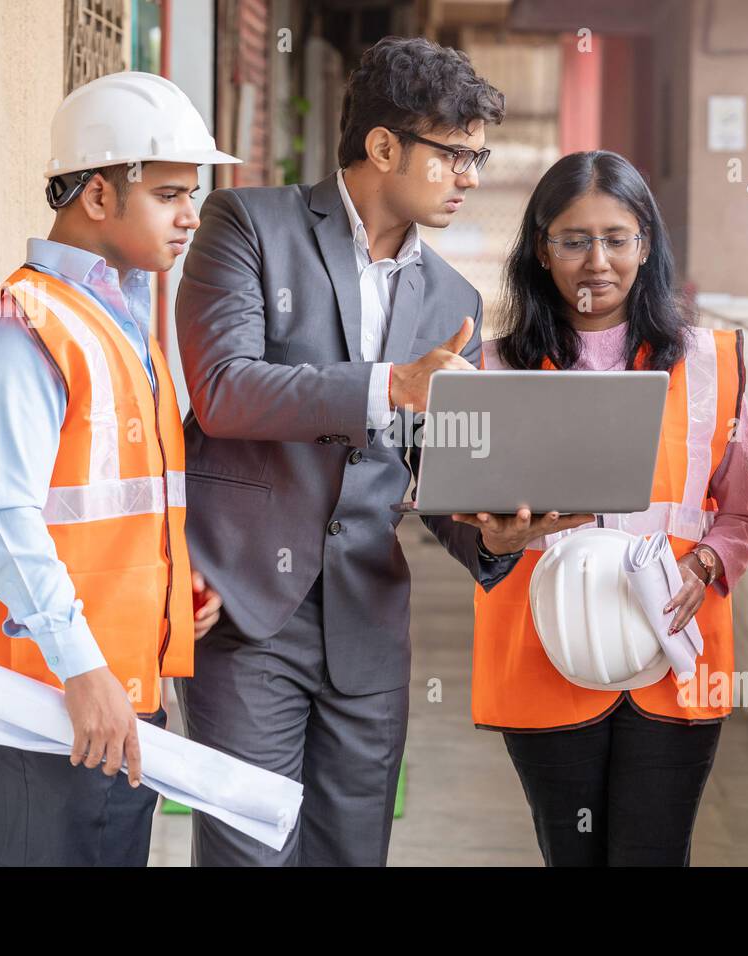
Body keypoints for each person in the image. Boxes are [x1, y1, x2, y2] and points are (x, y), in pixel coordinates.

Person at [173, 35, 592, 867]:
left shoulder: (453, 300)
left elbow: (442, 473)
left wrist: (495, 537)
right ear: (384, 145)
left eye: (480, 156)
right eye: (457, 154)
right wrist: (389, 388)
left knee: (352, 854)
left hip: (367, 624)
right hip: (248, 609)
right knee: (250, 852)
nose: (472, 176)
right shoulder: (247, 225)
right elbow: (224, 390)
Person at [0, 72, 231, 866]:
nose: (190, 216)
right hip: (42, 700)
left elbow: (113, 507)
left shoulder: (120, 322)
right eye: (169, 194)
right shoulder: (21, 330)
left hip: (103, 696)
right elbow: (3, 520)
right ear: (99, 196)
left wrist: (169, 593)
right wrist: (86, 669)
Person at [471, 150, 748, 866]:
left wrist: (704, 563)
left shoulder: (709, 362)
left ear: (646, 245)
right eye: (573, 240)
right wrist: (496, 536)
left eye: (617, 237)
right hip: (547, 647)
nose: (597, 261)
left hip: (672, 653)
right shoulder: (492, 368)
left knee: (652, 854)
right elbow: (463, 518)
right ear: (540, 251)